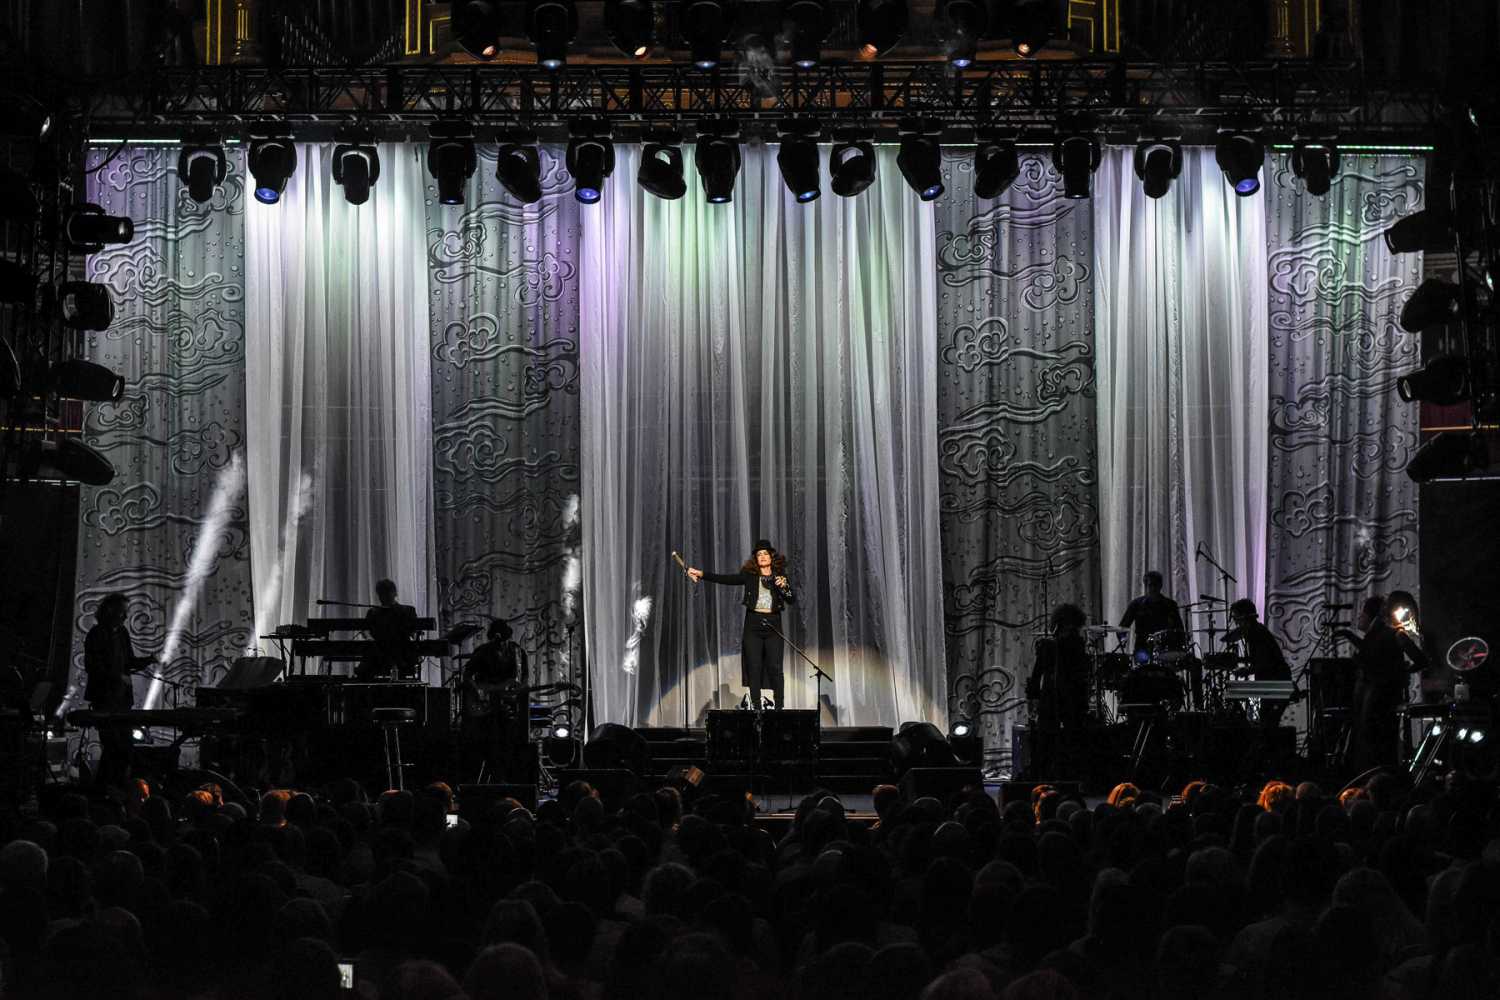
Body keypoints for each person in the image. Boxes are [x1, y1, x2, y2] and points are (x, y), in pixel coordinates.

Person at [687, 540, 794, 712]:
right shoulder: (749, 575)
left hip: (773, 625)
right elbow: (726, 579)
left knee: (775, 667)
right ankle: (757, 710)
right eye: (759, 554)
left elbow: (791, 599)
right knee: (754, 667)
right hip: (753, 625)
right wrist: (702, 574)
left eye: (766, 553)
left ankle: (779, 709)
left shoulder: (780, 576)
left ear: (771, 557)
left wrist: (785, 587)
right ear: (755, 559)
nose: (763, 557)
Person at [1351, 590, 1428, 772]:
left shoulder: (1395, 634)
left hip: (1380, 701)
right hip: (1376, 700)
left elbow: (1421, 660)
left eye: (1363, 614)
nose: (1360, 618)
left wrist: (1400, 672)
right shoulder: (1382, 636)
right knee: (1377, 743)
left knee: (1377, 743)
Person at [82, 593, 150, 786]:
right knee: (113, 747)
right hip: (104, 699)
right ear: (110, 611)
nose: (126, 617)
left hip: (122, 700)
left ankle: (113, 788)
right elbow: (92, 666)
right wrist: (117, 676)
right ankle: (104, 789)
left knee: (125, 748)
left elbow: (129, 661)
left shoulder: (122, 634)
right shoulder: (96, 634)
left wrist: (149, 660)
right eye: (123, 612)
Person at [1026, 604, 1091, 778]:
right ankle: (1062, 775)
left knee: (1050, 743)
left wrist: (1033, 697)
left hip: (1062, 699)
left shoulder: (1056, 646)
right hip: (1066, 700)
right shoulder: (1071, 646)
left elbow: (1036, 676)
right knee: (1063, 742)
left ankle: (1047, 775)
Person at [461, 619, 531, 782]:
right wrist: (480, 691)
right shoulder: (483, 651)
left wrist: (519, 688)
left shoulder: (518, 653)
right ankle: (491, 777)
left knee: (510, 741)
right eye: (497, 641)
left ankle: (505, 778)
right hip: (486, 705)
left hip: (510, 705)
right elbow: (467, 676)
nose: (501, 644)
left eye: (504, 641)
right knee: (490, 741)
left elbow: (525, 678)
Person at [1223, 599, 1291, 728]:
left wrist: (1245, 670)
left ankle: (1249, 731)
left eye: (1237, 619)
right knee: (1238, 693)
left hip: (1277, 685)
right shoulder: (1257, 631)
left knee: (1234, 691)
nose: (1236, 623)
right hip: (1274, 682)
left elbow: (1264, 664)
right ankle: (1251, 728)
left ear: (1244, 619)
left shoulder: (1257, 634)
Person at [358, 579, 419, 680]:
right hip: (378, 651)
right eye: (381, 593)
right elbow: (365, 629)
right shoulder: (373, 612)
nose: (384, 596)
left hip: (400, 652)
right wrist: (369, 638)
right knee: (364, 669)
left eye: (387, 592)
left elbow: (414, 631)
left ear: (394, 593)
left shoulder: (407, 611)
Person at [1119, 571, 1185, 654]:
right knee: (1142, 662)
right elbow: (1122, 627)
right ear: (1145, 586)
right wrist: (1123, 638)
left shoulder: (1170, 605)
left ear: (1160, 586)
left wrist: (1181, 647)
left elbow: (1179, 630)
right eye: (1150, 585)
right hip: (1142, 649)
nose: (1153, 589)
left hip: (1165, 649)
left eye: (1156, 585)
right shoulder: (1136, 604)